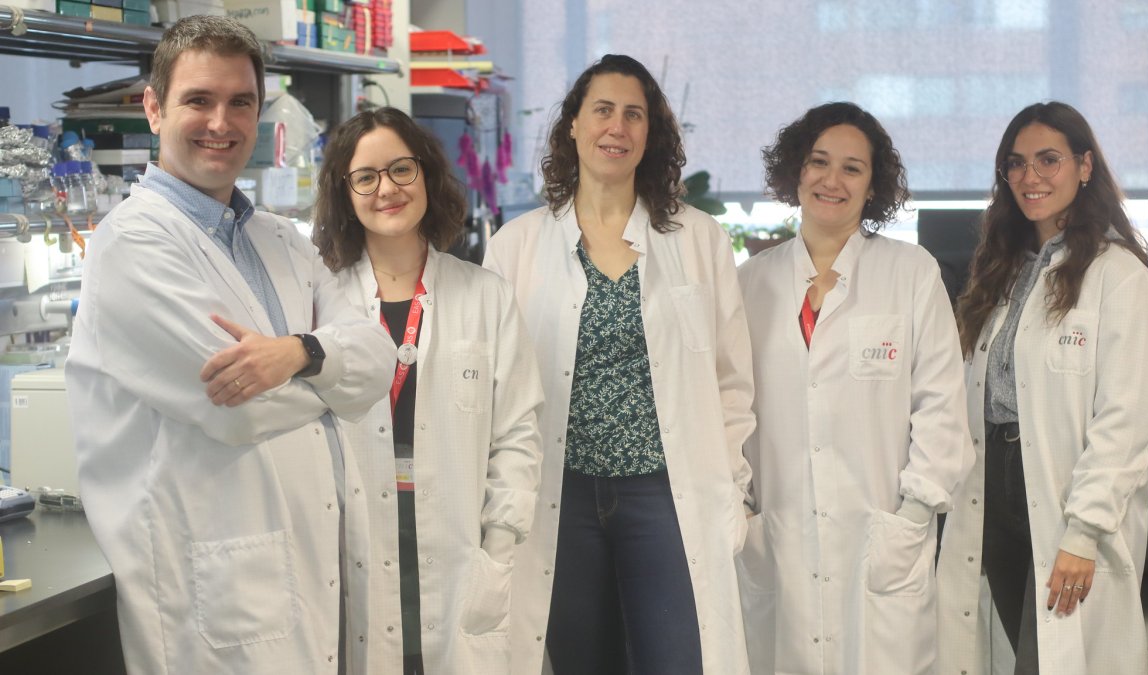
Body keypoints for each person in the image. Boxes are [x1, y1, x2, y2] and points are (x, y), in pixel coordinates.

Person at [64, 15, 395, 674]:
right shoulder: (132, 244)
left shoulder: (280, 239)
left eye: (241, 101)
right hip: (220, 592)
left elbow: (376, 355)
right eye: (199, 100)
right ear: (154, 110)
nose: (222, 121)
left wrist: (297, 354)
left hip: (313, 574)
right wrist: (334, 380)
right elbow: (241, 408)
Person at [482, 54, 755, 674]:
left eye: (634, 114)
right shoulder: (517, 244)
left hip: (664, 491)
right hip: (563, 495)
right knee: (581, 662)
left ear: (650, 135)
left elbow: (732, 381)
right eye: (602, 110)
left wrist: (733, 488)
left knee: (677, 658)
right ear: (573, 126)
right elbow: (497, 387)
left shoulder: (698, 238)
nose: (617, 126)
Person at [735, 102, 974, 674]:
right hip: (777, 534)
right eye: (818, 162)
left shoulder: (910, 273)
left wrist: (913, 515)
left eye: (852, 168)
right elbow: (729, 409)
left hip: (881, 539)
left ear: (873, 186)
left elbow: (942, 406)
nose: (831, 180)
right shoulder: (749, 284)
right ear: (796, 171)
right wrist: (742, 508)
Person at [937, 101, 1148, 675]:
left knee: (1056, 659)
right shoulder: (1003, 269)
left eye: (1048, 160)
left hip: (1065, 495)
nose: (1030, 177)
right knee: (1017, 657)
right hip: (993, 487)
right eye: (1015, 164)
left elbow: (1125, 422)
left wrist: (1084, 532)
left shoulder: (1119, 276)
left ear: (1084, 166)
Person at [310, 107, 543, 675]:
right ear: (345, 193)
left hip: (460, 542)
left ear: (427, 176)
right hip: (355, 543)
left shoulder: (484, 295)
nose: (386, 189)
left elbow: (517, 432)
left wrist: (500, 543)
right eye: (365, 177)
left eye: (401, 170)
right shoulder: (320, 299)